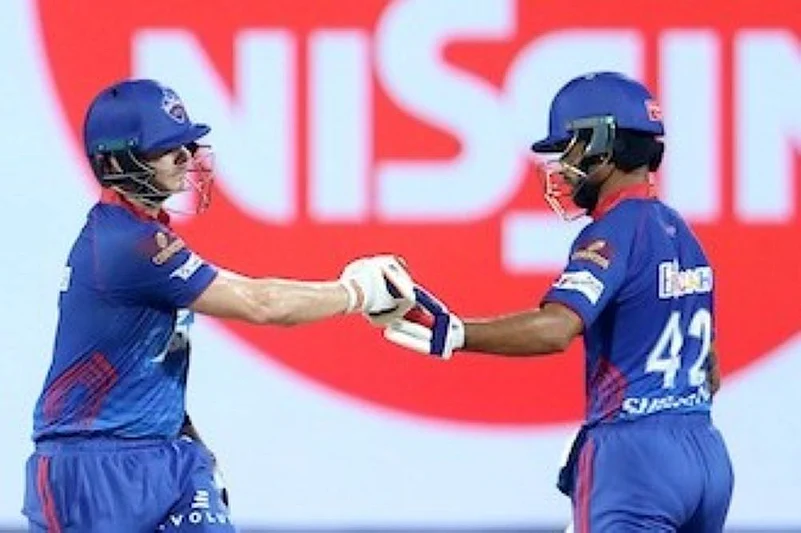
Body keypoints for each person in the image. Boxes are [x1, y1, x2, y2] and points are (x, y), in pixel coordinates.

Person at [23, 78, 413, 532]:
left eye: (186, 144)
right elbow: (263, 304)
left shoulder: (143, 234)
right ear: (113, 162)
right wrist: (359, 292)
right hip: (90, 470)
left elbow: (145, 366)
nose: (184, 157)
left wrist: (189, 438)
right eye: (164, 148)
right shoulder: (128, 245)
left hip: (166, 454)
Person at [382, 72, 734, 532]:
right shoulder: (682, 234)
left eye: (568, 149)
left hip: (634, 459)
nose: (562, 167)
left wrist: (455, 331)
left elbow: (556, 328)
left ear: (602, 146)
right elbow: (710, 370)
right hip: (706, 454)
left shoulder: (612, 232)